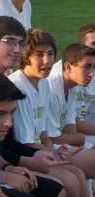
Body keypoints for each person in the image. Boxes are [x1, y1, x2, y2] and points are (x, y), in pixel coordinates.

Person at [0, 16, 67, 197]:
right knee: (64, 185)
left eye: (20, 43)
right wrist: (11, 169)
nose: (17, 49)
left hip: (4, 163)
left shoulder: (41, 84)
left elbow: (5, 143)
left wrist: (52, 152)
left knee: (73, 178)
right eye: (10, 42)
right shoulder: (8, 86)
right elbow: (17, 142)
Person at [8, 28, 88, 197]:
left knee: (78, 174)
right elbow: (26, 142)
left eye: (51, 54)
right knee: (70, 181)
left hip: (40, 151)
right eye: (39, 55)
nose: (47, 61)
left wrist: (55, 151)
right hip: (24, 156)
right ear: (25, 56)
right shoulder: (18, 88)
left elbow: (43, 133)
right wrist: (53, 153)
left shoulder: (43, 84)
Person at [47, 43, 95, 180]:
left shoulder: (74, 86)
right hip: (46, 149)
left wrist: (77, 140)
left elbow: (70, 125)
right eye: (86, 67)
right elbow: (51, 137)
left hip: (65, 144)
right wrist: (78, 139)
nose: (91, 73)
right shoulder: (52, 90)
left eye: (93, 67)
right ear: (68, 67)